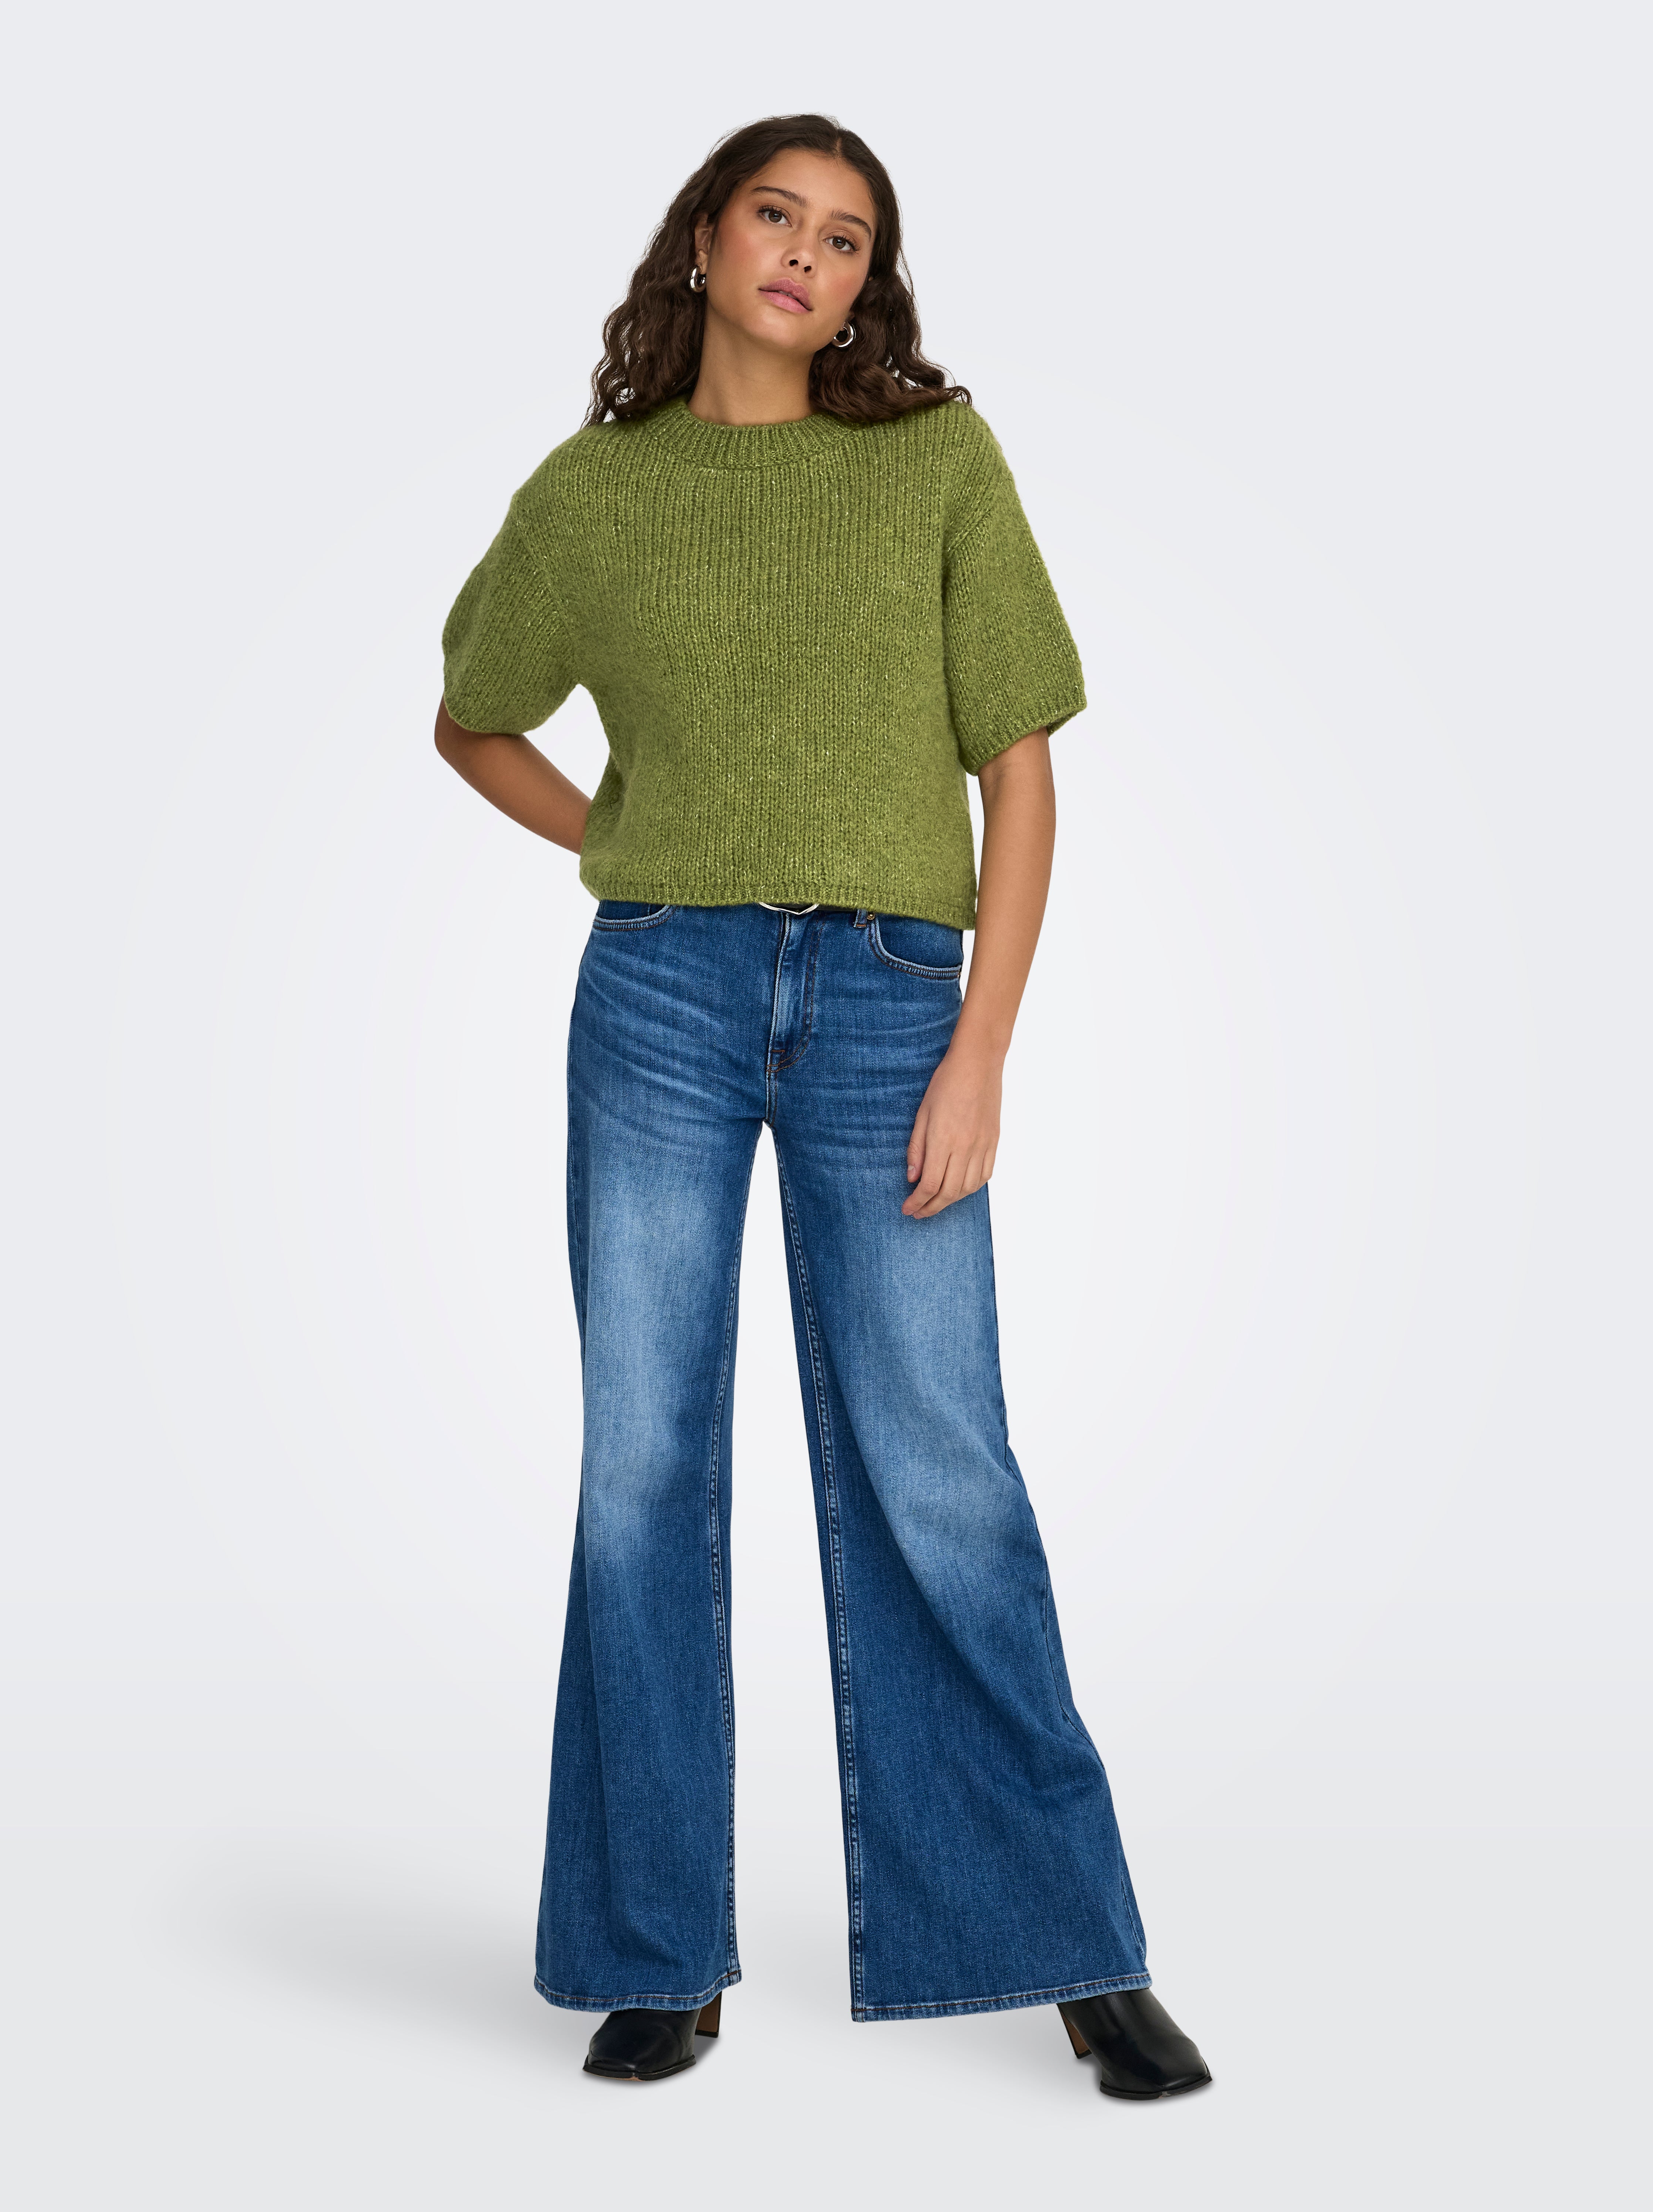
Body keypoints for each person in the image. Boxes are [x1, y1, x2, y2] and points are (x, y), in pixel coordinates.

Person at [433, 113, 1211, 2099]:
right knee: (643, 1466)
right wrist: (625, 842)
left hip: (889, 1004)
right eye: (776, 215)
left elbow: (1018, 770)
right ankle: (655, 1950)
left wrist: (983, 1048)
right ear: (704, 239)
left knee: (940, 1463)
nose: (807, 252)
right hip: (660, 996)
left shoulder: (935, 462)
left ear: (870, 282)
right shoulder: (596, 493)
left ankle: (1065, 1941)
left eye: (848, 236)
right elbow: (473, 715)